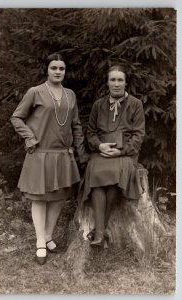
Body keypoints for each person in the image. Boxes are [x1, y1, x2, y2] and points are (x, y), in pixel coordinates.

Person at [11, 53, 88, 264]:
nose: (57, 71)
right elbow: (16, 117)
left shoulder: (70, 95)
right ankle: (39, 243)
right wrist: (30, 138)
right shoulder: (34, 92)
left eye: (61, 68)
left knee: (59, 197)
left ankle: (48, 235)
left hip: (63, 155)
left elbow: (76, 125)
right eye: (54, 67)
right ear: (47, 69)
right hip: (40, 154)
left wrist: (80, 152)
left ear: (65, 71)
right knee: (40, 198)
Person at [82, 64, 145, 247]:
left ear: (126, 83)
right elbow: (91, 133)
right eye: (113, 80)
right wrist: (100, 145)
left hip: (125, 154)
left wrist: (121, 150)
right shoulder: (98, 105)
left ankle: (99, 232)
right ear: (108, 83)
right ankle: (101, 233)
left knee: (113, 180)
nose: (116, 84)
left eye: (120, 80)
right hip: (102, 153)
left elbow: (138, 135)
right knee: (96, 174)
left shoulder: (136, 104)